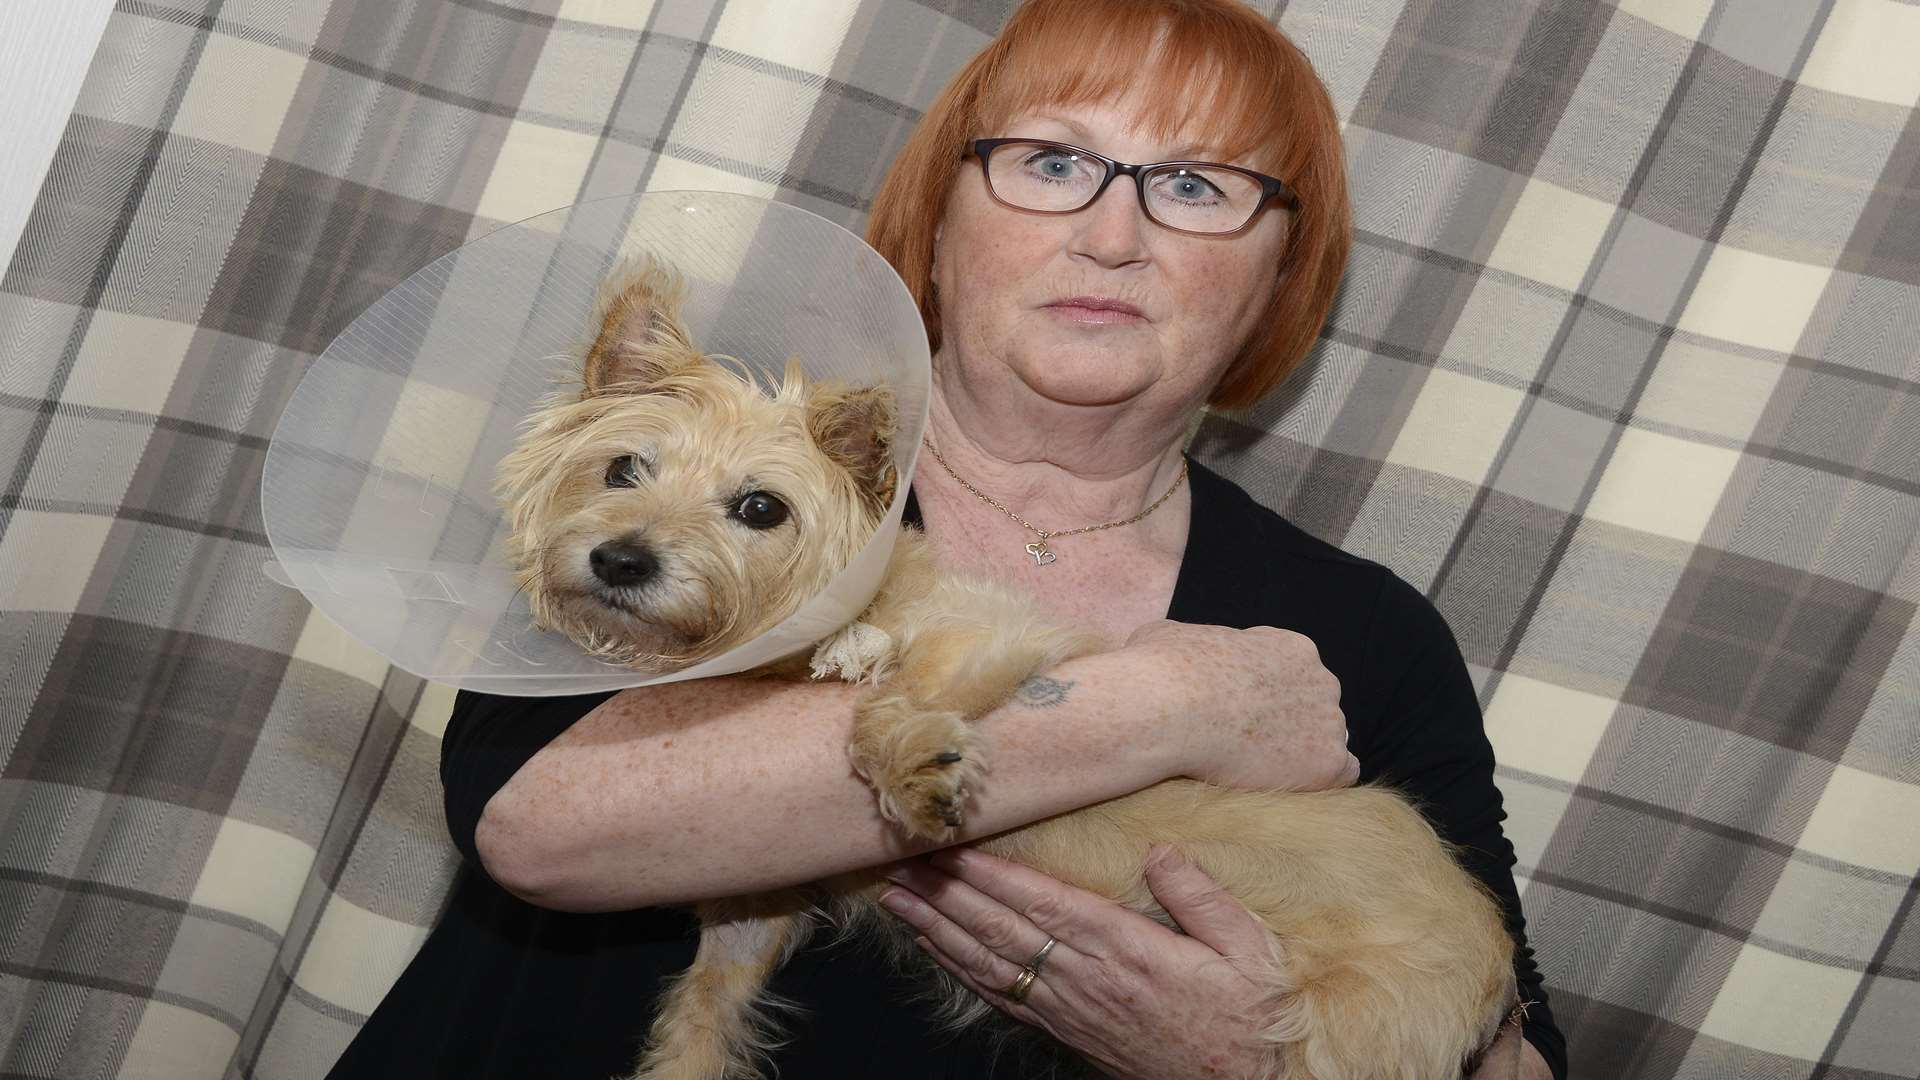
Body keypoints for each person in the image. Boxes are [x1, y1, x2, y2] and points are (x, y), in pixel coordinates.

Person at [330, 1, 1566, 1077]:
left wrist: (1266, 1062)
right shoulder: (717, 480)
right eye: (1049, 161)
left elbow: (1512, 1045)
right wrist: (1167, 705)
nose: (1114, 235)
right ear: (940, 216)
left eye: (1196, 185)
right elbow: (542, 823)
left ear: (1282, 271)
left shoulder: (1367, 632)